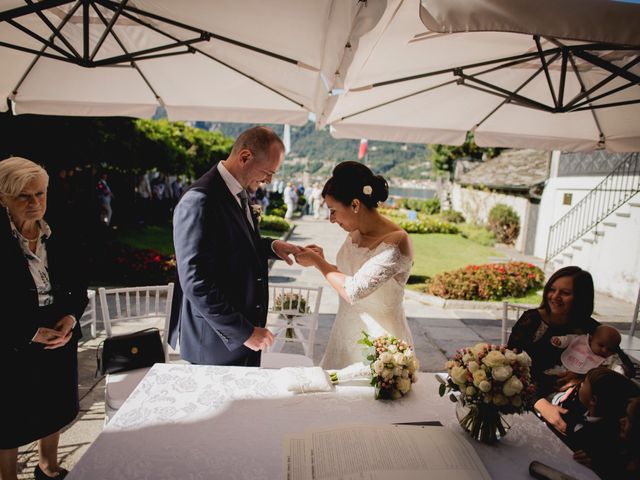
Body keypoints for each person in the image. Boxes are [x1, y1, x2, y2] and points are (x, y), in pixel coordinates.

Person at [169, 127, 300, 366]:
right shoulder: (200, 200)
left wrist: (272, 246)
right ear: (245, 157)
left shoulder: (237, 192)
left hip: (242, 337)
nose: (269, 180)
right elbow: (195, 281)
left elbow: (234, 243)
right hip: (214, 342)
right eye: (267, 172)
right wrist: (243, 332)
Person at [0, 157, 87, 480]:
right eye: (24, 196)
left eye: (40, 194)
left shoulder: (58, 230)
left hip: (57, 331)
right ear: (3, 197)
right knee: (8, 415)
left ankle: (47, 467)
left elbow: (79, 284)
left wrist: (70, 317)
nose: (35, 203)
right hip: (10, 340)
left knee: (55, 403)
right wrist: (26, 332)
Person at [294, 161, 413, 369]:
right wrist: (323, 261)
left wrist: (317, 262)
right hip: (344, 333)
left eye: (333, 210)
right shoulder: (355, 232)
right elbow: (351, 276)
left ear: (355, 205)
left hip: (380, 345)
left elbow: (355, 289)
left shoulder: (396, 241)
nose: (331, 219)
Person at [507, 266, 600, 433]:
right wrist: (541, 405)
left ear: (581, 297)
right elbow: (509, 367)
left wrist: (583, 376)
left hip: (570, 402)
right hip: (527, 400)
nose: (555, 297)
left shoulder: (590, 328)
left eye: (565, 293)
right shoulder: (532, 321)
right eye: (551, 290)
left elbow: (622, 365)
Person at [568, 367, 640, 479]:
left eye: (583, 384)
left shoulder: (604, 438)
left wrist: (594, 465)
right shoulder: (580, 406)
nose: (580, 385)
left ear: (593, 400)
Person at [548, 324, 626, 376]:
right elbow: (570, 339)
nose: (604, 350)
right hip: (563, 369)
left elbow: (616, 365)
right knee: (552, 373)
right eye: (601, 345)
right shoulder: (582, 341)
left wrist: (620, 371)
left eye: (610, 349)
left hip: (585, 379)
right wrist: (560, 341)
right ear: (591, 339)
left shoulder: (611, 357)